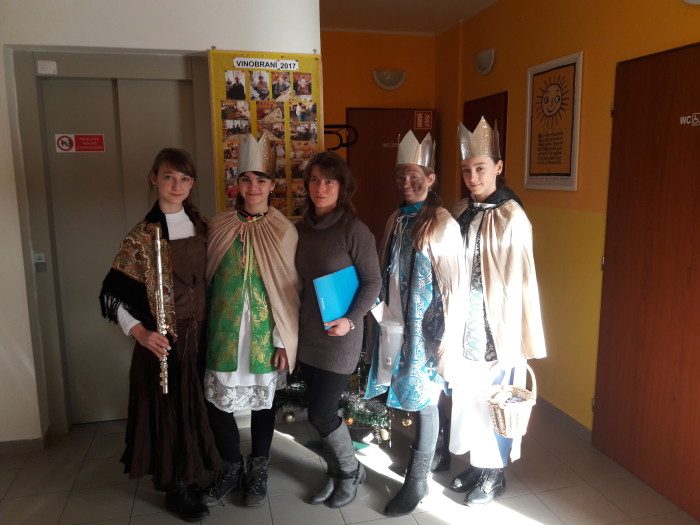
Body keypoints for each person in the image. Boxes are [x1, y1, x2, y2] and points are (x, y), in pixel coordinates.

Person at [99, 148, 219, 522]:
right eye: (169, 177)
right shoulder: (141, 235)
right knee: (171, 413)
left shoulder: (203, 226)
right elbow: (112, 294)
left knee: (199, 407)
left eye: (185, 178)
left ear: (192, 183)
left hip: (203, 336)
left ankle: (196, 473)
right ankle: (176, 485)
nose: (177, 185)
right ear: (155, 179)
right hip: (167, 342)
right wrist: (139, 332)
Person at [446, 117, 546, 506]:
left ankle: (495, 474)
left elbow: (519, 280)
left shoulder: (511, 216)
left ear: (498, 167)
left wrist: (510, 336)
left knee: (495, 397)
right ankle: (477, 464)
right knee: (468, 398)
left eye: (480, 168)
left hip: (495, 326)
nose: (472, 177)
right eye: (466, 170)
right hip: (463, 324)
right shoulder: (462, 210)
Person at [364, 131, 465, 517]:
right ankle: (422, 466)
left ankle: (418, 481)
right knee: (412, 394)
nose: (406, 183)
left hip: (426, 330)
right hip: (396, 323)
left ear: (431, 178)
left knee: (426, 402)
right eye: (401, 177)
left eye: (414, 176)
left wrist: (444, 338)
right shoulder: (396, 218)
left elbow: (453, 286)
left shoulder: (442, 223)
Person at [201, 133, 300, 507]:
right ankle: (230, 465)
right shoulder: (218, 225)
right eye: (246, 179)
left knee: (263, 403)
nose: (253, 187)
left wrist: (282, 339)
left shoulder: (284, 230)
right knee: (217, 402)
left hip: (264, 333)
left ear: (272, 185)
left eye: (261, 180)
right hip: (223, 330)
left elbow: (289, 291)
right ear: (237, 184)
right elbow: (205, 279)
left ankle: (258, 468)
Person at [295, 152, 381, 508]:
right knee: (318, 413)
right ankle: (335, 471)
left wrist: (350, 319)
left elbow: (373, 282)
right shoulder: (299, 229)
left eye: (329, 181)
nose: (321, 188)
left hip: (341, 336)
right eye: (315, 180)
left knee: (321, 412)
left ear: (342, 187)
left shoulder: (354, 230)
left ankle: (350, 471)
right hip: (308, 335)